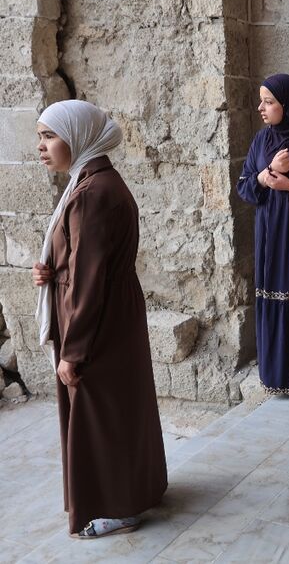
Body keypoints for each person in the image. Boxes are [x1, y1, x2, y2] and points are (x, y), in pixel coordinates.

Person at [31, 100, 167, 538]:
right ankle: (134, 489)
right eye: (40, 136)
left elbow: (90, 282)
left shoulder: (90, 195)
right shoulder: (92, 182)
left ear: (79, 136)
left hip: (97, 319)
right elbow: (82, 259)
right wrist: (52, 270)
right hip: (112, 310)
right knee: (118, 407)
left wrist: (73, 353)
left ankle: (119, 507)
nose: (42, 146)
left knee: (100, 411)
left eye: (50, 135)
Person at [237, 74, 289, 394]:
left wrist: (286, 182)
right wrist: (264, 175)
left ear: (288, 105)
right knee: (269, 292)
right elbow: (244, 187)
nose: (261, 108)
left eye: (269, 102)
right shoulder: (262, 140)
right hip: (268, 231)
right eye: (262, 101)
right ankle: (275, 375)